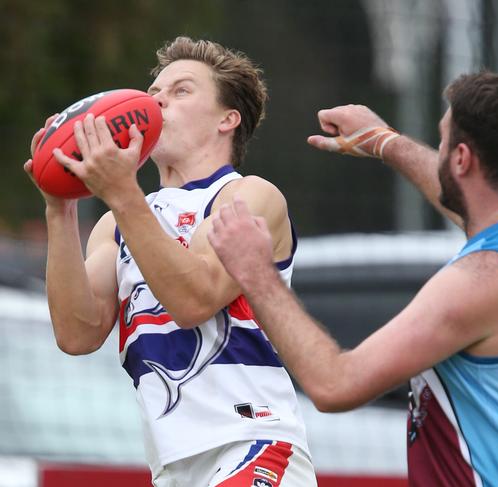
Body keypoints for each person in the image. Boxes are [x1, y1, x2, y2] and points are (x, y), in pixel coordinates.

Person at [207, 72, 498, 486]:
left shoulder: (482, 280)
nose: (437, 151)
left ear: (461, 160)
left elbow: (335, 384)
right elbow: (466, 200)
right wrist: (384, 141)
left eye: (442, 142)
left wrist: (257, 273)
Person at [24, 37, 316, 487]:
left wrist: (122, 192)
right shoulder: (117, 223)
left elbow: (193, 299)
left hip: (251, 444)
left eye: (181, 91)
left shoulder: (247, 196)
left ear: (227, 119)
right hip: (173, 466)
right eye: (155, 91)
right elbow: (76, 333)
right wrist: (59, 207)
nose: (158, 100)